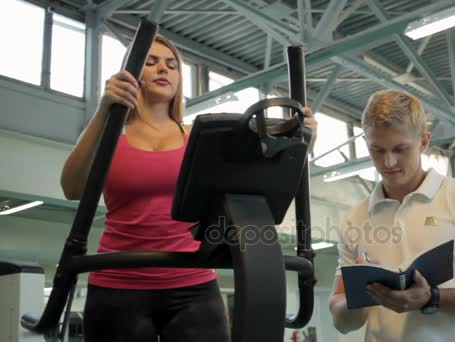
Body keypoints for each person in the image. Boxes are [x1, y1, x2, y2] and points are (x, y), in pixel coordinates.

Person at [60, 35, 317, 342]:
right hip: (119, 281)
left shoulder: (198, 137)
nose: (163, 69)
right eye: (151, 62)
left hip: (192, 283)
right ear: (130, 74)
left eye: (171, 65)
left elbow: (252, 182)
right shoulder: (111, 136)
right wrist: (105, 110)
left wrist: (300, 143)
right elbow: (72, 188)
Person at [329, 89, 455, 341]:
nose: (388, 162)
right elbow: (341, 320)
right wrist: (359, 299)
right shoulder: (354, 220)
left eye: (400, 149)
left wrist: (433, 298)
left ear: (423, 141)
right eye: (377, 150)